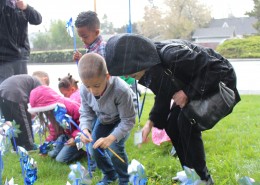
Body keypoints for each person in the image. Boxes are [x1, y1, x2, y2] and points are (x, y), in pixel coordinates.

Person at [104, 33, 241, 184]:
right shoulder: (148, 69)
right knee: (171, 125)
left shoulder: (173, 55)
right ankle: (191, 173)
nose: (129, 76)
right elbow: (163, 92)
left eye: (132, 73)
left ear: (138, 60)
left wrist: (187, 93)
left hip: (218, 81)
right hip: (195, 86)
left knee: (186, 122)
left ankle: (203, 179)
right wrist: (149, 124)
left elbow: (219, 69)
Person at [78, 53, 136, 185]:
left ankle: (124, 179)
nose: (92, 91)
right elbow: (86, 113)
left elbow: (128, 120)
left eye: (96, 86)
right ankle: (110, 175)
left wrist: (111, 137)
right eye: (88, 86)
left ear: (107, 76)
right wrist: (85, 129)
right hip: (104, 120)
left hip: (121, 120)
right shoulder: (84, 89)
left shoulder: (121, 90)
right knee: (94, 147)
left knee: (115, 147)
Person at [28, 85, 85, 163]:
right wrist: (45, 148)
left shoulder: (70, 106)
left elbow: (83, 125)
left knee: (60, 159)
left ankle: (82, 151)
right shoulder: (51, 111)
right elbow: (53, 131)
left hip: (80, 136)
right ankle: (72, 149)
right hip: (67, 136)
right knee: (52, 154)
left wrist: (75, 139)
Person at [0, 72, 49, 151]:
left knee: (11, 123)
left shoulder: (28, 80)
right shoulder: (39, 84)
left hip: (2, 92)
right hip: (16, 93)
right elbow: (37, 100)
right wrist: (34, 112)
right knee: (25, 121)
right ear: (44, 81)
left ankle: (17, 146)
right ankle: (29, 146)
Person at [0, 0, 42, 84]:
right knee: (6, 90)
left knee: (21, 89)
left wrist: (26, 7)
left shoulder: (21, 5)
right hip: (4, 58)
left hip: (21, 57)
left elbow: (37, 20)